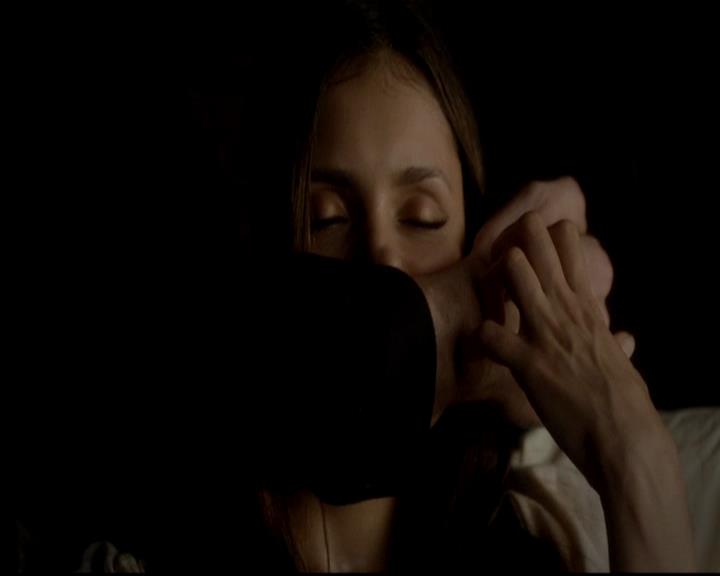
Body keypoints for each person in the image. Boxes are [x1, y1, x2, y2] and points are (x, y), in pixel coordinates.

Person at [248, 0, 696, 572]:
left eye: (422, 218)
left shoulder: (541, 537)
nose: (384, 265)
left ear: (472, 239)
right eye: (327, 218)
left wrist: (637, 454)